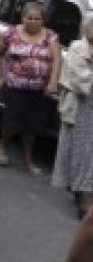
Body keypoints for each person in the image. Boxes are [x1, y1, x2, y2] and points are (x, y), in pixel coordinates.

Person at [0, 2, 60, 173]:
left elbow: (56, 60)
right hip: (15, 87)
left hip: (39, 89)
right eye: (29, 18)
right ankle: (2, 147)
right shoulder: (11, 33)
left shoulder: (50, 36)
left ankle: (28, 160)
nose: (33, 21)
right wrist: (1, 75)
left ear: (43, 20)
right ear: (23, 18)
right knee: (12, 122)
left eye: (37, 18)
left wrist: (52, 82)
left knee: (32, 126)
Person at [52, 15, 93, 220]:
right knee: (81, 152)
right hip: (80, 107)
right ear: (85, 28)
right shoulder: (78, 48)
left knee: (88, 154)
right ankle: (84, 196)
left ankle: (82, 191)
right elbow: (81, 80)